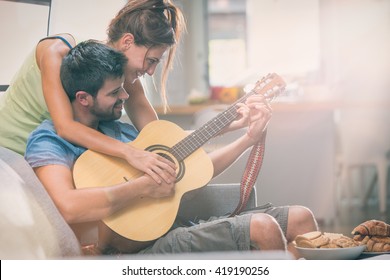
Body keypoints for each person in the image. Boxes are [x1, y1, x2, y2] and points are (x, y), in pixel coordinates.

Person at [25, 40, 318, 258]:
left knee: (302, 218)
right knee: (264, 228)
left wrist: (247, 139)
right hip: (133, 248)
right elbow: (68, 206)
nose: (125, 97)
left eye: (123, 88)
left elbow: (188, 172)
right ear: (83, 98)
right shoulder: (50, 139)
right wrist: (142, 188)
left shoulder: (119, 130)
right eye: (115, 92)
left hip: (175, 224)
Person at [0, 0, 188, 184]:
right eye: (151, 60)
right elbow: (65, 127)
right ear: (127, 42)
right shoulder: (56, 52)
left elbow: (155, 134)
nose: (150, 71)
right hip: (10, 152)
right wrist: (130, 152)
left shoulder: (121, 74)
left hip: (57, 159)